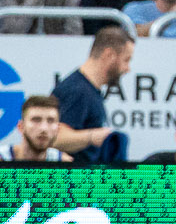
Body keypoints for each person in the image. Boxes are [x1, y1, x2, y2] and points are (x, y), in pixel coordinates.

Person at [52, 29, 133, 163]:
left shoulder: (89, 90)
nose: (127, 68)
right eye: (126, 60)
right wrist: (92, 137)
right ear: (109, 55)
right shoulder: (77, 90)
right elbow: (55, 137)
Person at [0, 94, 71, 163]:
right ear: (21, 127)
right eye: (36, 120)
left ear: (58, 128)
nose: (43, 128)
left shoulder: (63, 164)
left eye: (50, 121)